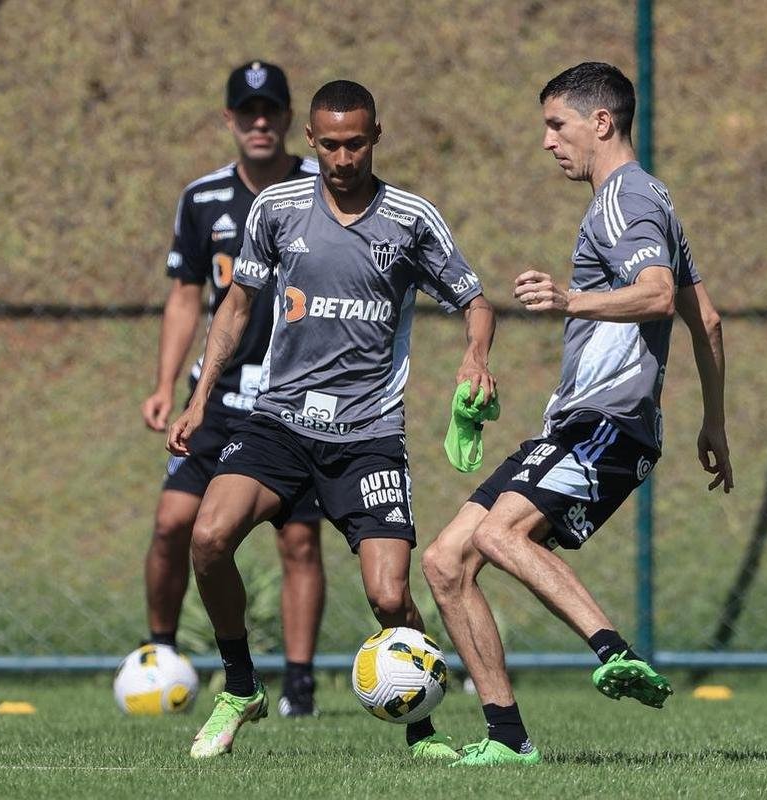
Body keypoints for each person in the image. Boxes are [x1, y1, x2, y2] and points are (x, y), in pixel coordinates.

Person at [167, 79, 497, 760]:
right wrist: (199, 397)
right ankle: (241, 687)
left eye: (356, 144)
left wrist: (475, 357)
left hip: (368, 434)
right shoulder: (277, 208)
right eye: (331, 146)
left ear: (376, 136)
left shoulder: (410, 219)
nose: (344, 159)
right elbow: (235, 305)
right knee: (208, 536)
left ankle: (422, 730)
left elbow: (475, 300)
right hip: (279, 423)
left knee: (389, 597)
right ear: (310, 141)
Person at [422, 62, 733, 766]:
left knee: (499, 533)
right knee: (445, 562)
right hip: (579, 423)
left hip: (607, 423)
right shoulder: (646, 198)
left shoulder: (626, 199)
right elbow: (707, 321)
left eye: (556, 125)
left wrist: (571, 300)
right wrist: (713, 420)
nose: (547, 141)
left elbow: (659, 295)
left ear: (601, 122)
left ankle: (613, 650)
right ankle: (508, 739)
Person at [139, 61, 326, 717]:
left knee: (298, 541)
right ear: (230, 119)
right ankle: (160, 656)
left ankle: (298, 684)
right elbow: (184, 296)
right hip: (216, 397)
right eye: (248, 112)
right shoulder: (203, 198)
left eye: (271, 111)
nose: (260, 123)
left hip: (295, 398)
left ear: (289, 118)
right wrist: (166, 384)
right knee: (173, 523)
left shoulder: (323, 187)